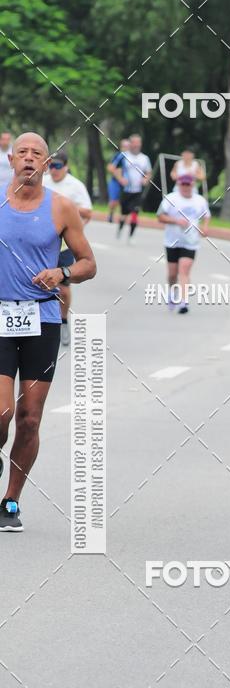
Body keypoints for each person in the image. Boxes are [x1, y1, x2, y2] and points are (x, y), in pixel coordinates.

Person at [0, 132, 96, 532]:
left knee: (30, 418)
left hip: (42, 320)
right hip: (0, 318)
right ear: (10, 159)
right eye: (21, 152)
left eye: (36, 154)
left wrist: (63, 271)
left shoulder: (62, 208)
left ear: (46, 164)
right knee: (1, 413)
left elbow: (89, 263)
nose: (28, 159)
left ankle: (11, 501)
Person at [43, 150, 93, 347]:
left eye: (57, 167)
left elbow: (88, 211)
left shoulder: (75, 186)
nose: (54, 170)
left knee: (63, 288)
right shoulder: (43, 181)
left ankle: (63, 321)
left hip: (64, 244)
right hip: (43, 242)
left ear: (66, 167)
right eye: (51, 166)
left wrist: (67, 207)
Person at [156, 174, 211, 314]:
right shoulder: (171, 198)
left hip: (191, 242)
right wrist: (175, 221)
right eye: (183, 184)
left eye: (189, 185)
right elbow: (160, 217)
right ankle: (172, 292)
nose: (186, 187)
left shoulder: (199, 200)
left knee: (184, 271)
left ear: (193, 185)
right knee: (172, 273)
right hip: (172, 241)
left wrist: (205, 228)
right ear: (179, 184)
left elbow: (206, 215)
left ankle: (183, 302)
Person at [117, 134, 152, 241]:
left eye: (138, 143)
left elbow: (148, 172)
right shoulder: (123, 156)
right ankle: (120, 228)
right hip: (126, 190)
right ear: (130, 143)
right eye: (134, 142)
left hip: (138, 190)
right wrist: (120, 179)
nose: (136, 145)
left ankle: (131, 236)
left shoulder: (144, 158)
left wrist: (145, 179)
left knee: (135, 213)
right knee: (123, 214)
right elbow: (115, 168)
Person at [106, 138, 130, 223]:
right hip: (115, 181)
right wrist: (120, 178)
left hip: (127, 183)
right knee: (114, 201)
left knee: (125, 201)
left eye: (127, 146)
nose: (126, 148)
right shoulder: (119, 156)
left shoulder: (133, 158)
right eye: (124, 146)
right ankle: (110, 214)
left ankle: (122, 218)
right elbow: (110, 167)